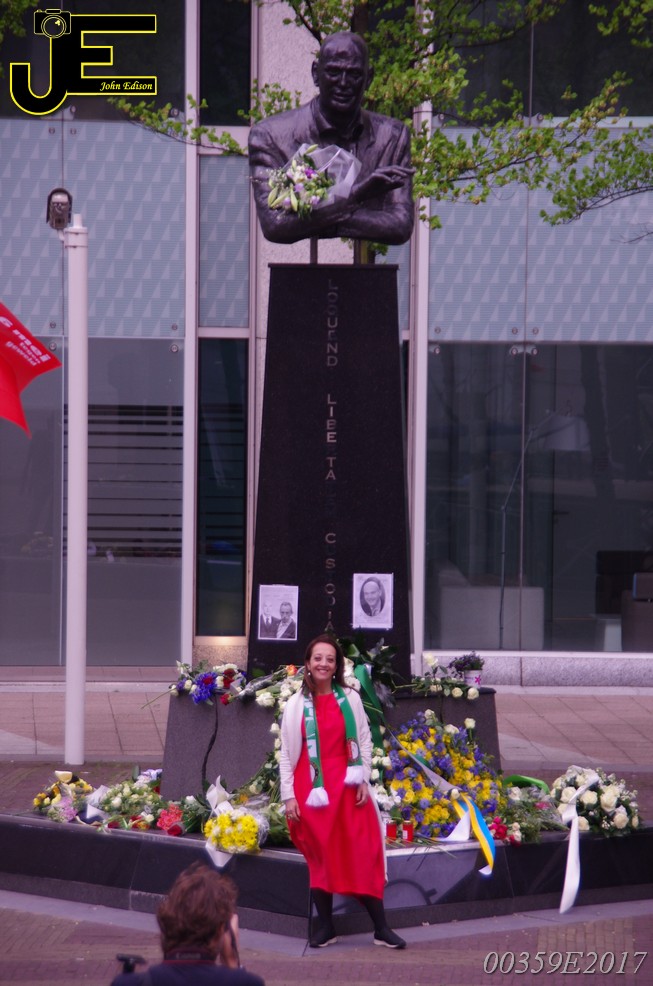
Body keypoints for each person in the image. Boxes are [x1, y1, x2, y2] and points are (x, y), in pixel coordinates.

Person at [279, 634, 406, 949]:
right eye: (318, 658)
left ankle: (381, 928)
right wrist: (288, 796)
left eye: (330, 659)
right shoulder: (295, 705)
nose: (323, 664)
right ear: (308, 663)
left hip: (349, 788)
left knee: (362, 853)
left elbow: (364, 739)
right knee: (320, 857)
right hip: (312, 789)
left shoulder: (350, 698)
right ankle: (326, 927)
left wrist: (363, 778)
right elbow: (286, 755)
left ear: (337, 666)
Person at [249, 31, 414, 246]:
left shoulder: (393, 136)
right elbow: (274, 225)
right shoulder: (270, 136)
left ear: (369, 78)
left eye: (354, 74)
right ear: (315, 74)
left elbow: (400, 226)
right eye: (334, 72)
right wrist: (356, 196)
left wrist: (314, 219)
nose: (343, 83)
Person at [110, 862, 265, 985]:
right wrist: (232, 962)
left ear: (166, 923)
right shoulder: (247, 983)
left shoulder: (127, 983)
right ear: (221, 931)